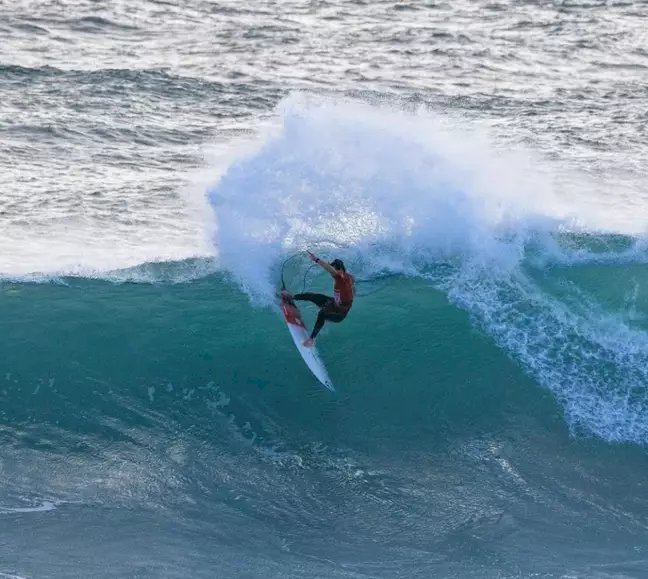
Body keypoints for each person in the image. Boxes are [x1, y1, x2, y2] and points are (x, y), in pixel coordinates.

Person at [282, 251, 355, 348]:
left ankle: (311, 340)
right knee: (313, 296)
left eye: (334, 269)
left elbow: (330, 270)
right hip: (334, 304)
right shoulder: (347, 276)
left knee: (322, 314)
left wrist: (316, 259)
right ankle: (292, 297)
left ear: (340, 269)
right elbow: (352, 283)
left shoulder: (340, 277)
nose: (332, 274)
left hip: (340, 313)